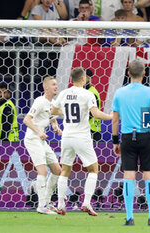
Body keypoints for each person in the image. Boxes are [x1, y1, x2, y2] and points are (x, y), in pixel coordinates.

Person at [51, 67, 112, 216]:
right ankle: (86, 203)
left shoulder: (64, 93)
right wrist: (112, 117)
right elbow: (95, 114)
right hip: (82, 136)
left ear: (72, 79)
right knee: (93, 169)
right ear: (83, 79)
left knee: (65, 170)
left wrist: (65, 111)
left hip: (67, 136)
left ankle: (60, 205)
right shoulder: (88, 94)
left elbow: (53, 110)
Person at [112, 59, 150, 226]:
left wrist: (115, 141)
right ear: (144, 73)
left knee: (129, 175)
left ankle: (129, 218)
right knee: (149, 175)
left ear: (128, 73)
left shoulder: (119, 93)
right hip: (145, 137)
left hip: (127, 137)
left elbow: (115, 119)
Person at [23, 76, 62, 215]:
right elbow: (27, 120)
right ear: (46, 87)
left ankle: (47, 201)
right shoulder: (40, 101)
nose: (56, 87)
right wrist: (39, 131)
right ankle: (41, 206)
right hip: (33, 139)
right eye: (53, 84)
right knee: (43, 172)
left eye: (56, 84)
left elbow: (52, 118)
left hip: (41, 140)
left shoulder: (54, 103)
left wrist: (56, 127)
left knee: (57, 170)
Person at [85, 69, 102, 142]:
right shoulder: (84, 91)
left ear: (89, 78)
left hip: (92, 130)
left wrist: (80, 120)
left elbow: (93, 112)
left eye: (84, 77)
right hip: (85, 129)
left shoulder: (92, 92)